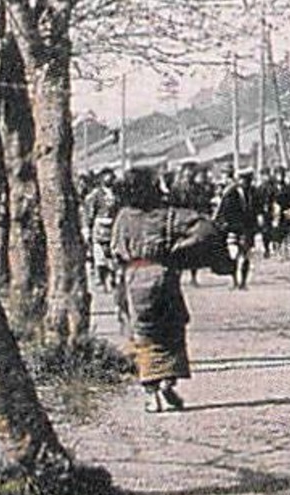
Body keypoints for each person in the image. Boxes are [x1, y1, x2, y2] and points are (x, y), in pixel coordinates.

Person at [111, 167, 235, 412]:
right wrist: (180, 251)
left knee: (140, 335)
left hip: (133, 279)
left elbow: (115, 251)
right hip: (163, 276)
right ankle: (168, 380)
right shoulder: (168, 216)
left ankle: (151, 392)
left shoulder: (123, 217)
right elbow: (206, 229)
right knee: (171, 329)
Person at [213, 168, 262, 289]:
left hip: (248, 228)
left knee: (246, 254)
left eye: (249, 180)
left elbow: (258, 208)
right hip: (233, 227)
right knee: (234, 255)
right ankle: (235, 280)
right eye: (244, 180)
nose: (246, 182)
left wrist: (258, 220)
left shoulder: (253, 192)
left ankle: (243, 282)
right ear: (239, 180)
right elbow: (225, 211)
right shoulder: (231, 193)